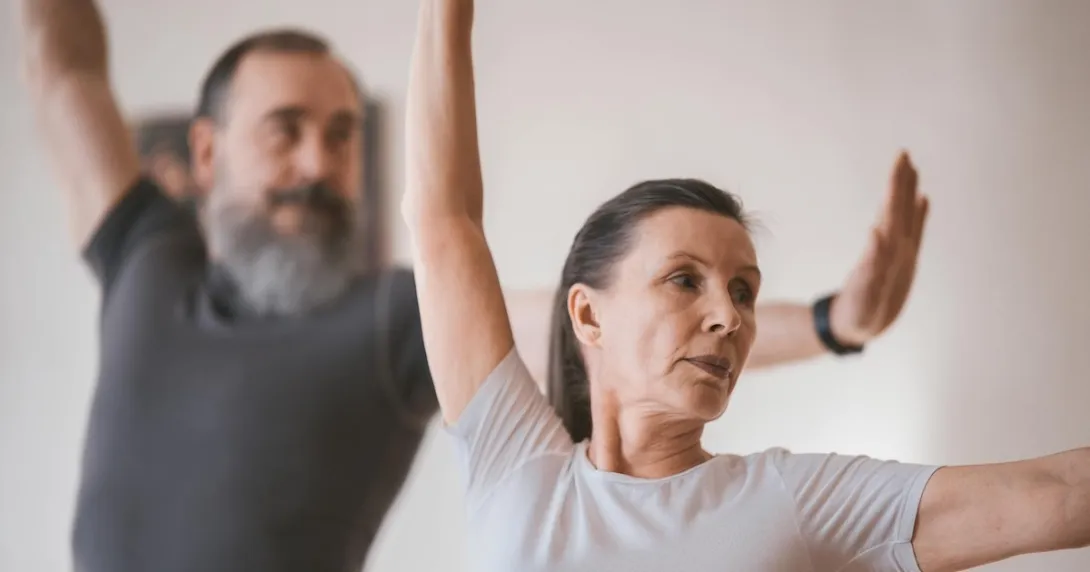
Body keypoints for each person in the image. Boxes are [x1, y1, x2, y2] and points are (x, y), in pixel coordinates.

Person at [18, 0, 924, 571]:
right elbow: (64, 71)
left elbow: (620, 324)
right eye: (286, 131)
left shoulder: (385, 321)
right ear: (205, 152)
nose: (320, 162)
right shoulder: (145, 254)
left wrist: (833, 323)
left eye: (342, 136)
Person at [401, 1, 1090, 571]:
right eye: (683, 280)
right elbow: (444, 217)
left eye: (743, 291)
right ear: (588, 314)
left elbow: (1058, 493)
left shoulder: (790, 501)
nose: (728, 318)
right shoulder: (518, 469)